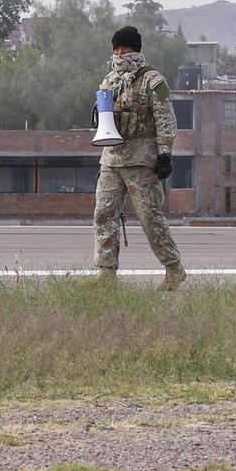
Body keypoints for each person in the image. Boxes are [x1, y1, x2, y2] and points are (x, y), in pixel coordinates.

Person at [93, 25, 188, 289]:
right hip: (111, 159)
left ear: (136, 49)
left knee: (150, 217)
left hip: (141, 162)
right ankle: (106, 273)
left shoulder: (153, 80)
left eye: (124, 48)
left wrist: (165, 154)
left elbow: (165, 120)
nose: (119, 53)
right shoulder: (109, 81)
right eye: (116, 48)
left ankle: (173, 269)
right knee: (103, 215)